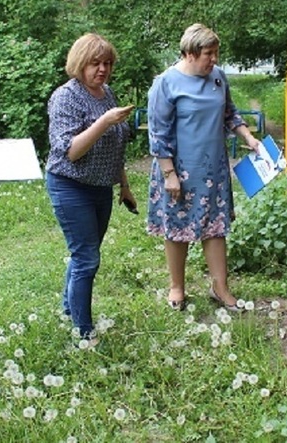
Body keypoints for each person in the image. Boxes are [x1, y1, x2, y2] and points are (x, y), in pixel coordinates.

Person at [147, 23, 260, 312]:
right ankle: (177, 287)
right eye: (209, 54)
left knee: (216, 228)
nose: (215, 60)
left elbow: (230, 114)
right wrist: (169, 174)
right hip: (180, 171)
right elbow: (158, 133)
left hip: (214, 169)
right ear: (189, 54)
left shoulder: (218, 78)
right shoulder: (166, 83)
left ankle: (220, 288)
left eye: (216, 53)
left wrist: (248, 137)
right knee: (177, 228)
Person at [45, 33, 136, 341]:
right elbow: (69, 150)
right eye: (95, 63)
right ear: (80, 63)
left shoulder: (106, 94)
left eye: (108, 63)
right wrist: (103, 123)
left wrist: (123, 185)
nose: (102, 70)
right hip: (70, 185)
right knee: (87, 258)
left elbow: (115, 146)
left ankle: (68, 310)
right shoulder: (66, 97)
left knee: (85, 253)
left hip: (101, 187)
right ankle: (83, 332)